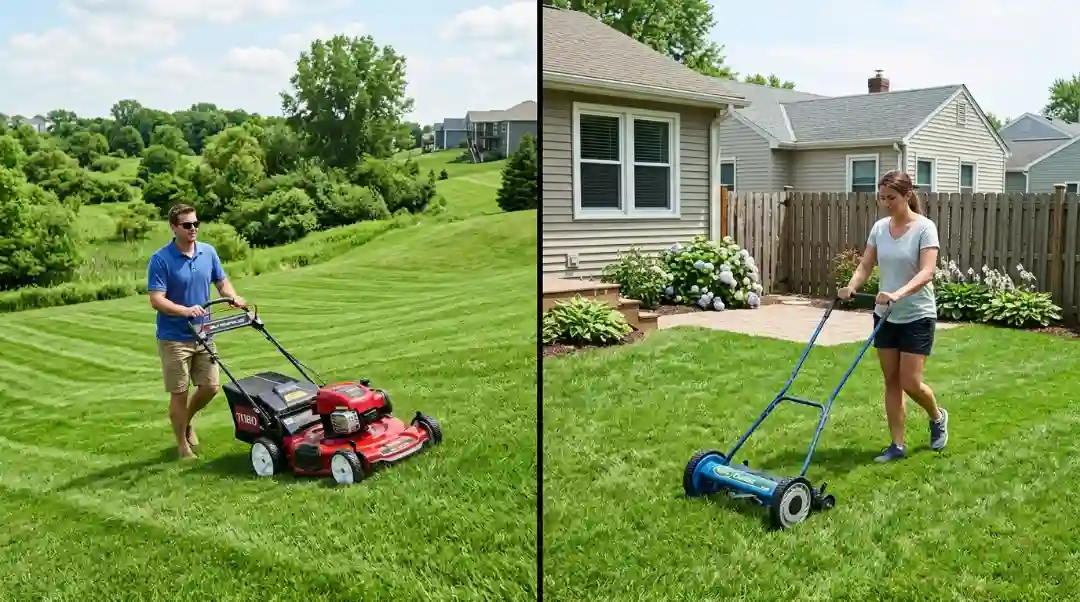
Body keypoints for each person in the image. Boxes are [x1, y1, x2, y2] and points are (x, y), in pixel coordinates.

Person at [838, 170, 948, 462]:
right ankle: (897, 445)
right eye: (882, 198)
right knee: (891, 381)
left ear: (907, 195)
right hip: (885, 315)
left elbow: (927, 271)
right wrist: (851, 286)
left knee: (910, 382)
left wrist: (899, 293)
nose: (886, 203)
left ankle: (936, 417)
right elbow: (865, 265)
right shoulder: (879, 228)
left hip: (917, 314)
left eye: (892, 197)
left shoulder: (925, 228)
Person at [147, 203, 246, 459]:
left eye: (196, 224)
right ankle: (183, 445)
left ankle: (186, 421)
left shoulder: (208, 252)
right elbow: (156, 299)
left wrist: (232, 297)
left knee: (211, 386)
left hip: (204, 333)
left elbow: (221, 281)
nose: (193, 229)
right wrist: (184, 310)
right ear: (173, 228)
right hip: (174, 338)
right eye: (187, 225)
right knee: (179, 393)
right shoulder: (161, 260)